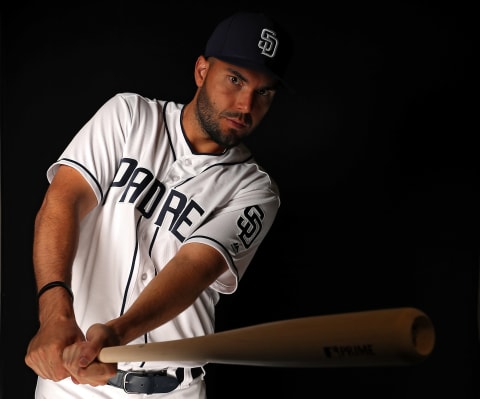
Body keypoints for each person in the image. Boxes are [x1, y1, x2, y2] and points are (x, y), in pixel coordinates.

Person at [24, 11, 293, 399]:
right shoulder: (130, 116)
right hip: (70, 382)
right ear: (202, 71)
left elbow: (193, 267)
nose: (245, 104)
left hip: (172, 390)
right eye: (235, 79)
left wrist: (117, 333)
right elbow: (63, 199)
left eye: (264, 91)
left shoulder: (255, 190)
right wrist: (54, 314)